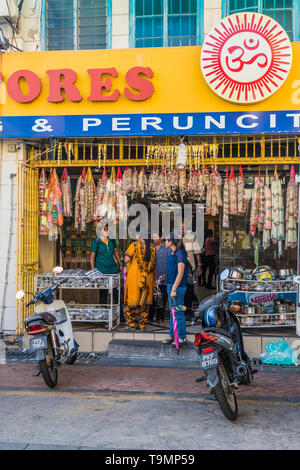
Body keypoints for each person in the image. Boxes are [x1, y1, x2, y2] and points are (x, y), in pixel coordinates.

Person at [123, 234, 156, 330]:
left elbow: (126, 259)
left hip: (135, 278)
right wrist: (154, 280)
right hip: (148, 279)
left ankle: (131, 324)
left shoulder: (134, 245)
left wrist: (124, 258)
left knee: (131, 302)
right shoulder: (152, 248)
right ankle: (142, 324)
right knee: (144, 304)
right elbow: (154, 266)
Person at [163, 233, 188, 346]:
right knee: (172, 312)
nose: (165, 242)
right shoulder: (173, 253)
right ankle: (172, 335)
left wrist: (174, 288)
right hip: (170, 285)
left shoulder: (180, 253)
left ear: (171, 241)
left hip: (177, 287)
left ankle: (182, 337)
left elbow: (181, 272)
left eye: (166, 240)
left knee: (178, 311)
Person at [90, 219, 121, 305]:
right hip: (101, 270)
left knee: (115, 291)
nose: (106, 231)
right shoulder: (96, 242)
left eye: (107, 229)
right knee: (103, 292)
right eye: (104, 229)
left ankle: (117, 312)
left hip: (112, 269)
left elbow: (115, 252)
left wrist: (120, 264)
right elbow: (92, 256)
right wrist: (93, 270)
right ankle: (103, 312)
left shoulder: (112, 240)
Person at [149, 231, 172, 325]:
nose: (154, 239)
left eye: (156, 236)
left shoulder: (167, 248)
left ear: (161, 237)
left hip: (163, 278)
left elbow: (170, 262)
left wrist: (166, 274)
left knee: (162, 298)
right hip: (152, 278)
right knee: (151, 298)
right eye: (153, 237)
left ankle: (160, 318)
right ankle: (149, 317)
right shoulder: (150, 248)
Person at [181, 221, 202, 317]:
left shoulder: (191, 238)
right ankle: (180, 312)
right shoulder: (175, 238)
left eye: (183, 228)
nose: (182, 230)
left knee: (189, 291)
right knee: (180, 292)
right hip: (178, 269)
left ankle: (187, 311)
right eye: (180, 228)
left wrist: (199, 265)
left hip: (189, 269)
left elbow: (197, 252)